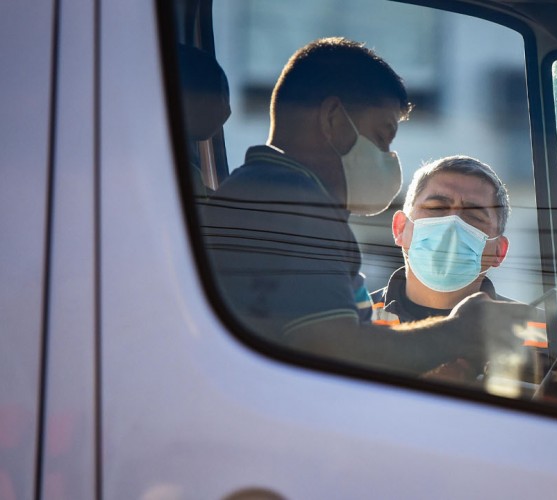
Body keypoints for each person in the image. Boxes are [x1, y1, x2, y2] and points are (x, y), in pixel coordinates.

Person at [197, 37, 530, 378]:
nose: (387, 156)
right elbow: (336, 350)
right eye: (383, 136)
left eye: (473, 214)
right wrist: (457, 334)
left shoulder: (270, 196)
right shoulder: (290, 210)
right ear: (333, 120)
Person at [371, 156, 548, 383]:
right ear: (400, 228)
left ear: (499, 251)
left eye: (474, 217)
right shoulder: (353, 321)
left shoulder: (540, 333)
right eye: (436, 208)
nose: (452, 224)